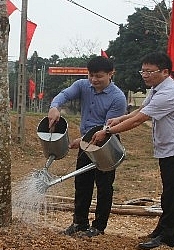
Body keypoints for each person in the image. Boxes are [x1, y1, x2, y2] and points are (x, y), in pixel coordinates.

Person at [90, 51, 174, 250]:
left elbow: (140, 120)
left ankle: (168, 238)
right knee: (168, 194)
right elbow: (140, 111)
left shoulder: (168, 93)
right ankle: (161, 231)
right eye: (143, 71)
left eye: (150, 71)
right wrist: (119, 119)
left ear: (165, 72)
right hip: (169, 149)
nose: (145, 75)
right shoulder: (157, 89)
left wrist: (107, 131)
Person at [47, 56, 127, 237]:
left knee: (104, 186)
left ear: (110, 74)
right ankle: (79, 223)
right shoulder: (83, 85)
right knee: (82, 183)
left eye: (99, 76)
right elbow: (64, 95)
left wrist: (82, 140)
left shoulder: (117, 98)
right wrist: (55, 107)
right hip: (86, 143)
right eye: (91, 75)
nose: (94, 80)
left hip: (106, 143)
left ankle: (98, 226)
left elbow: (107, 127)